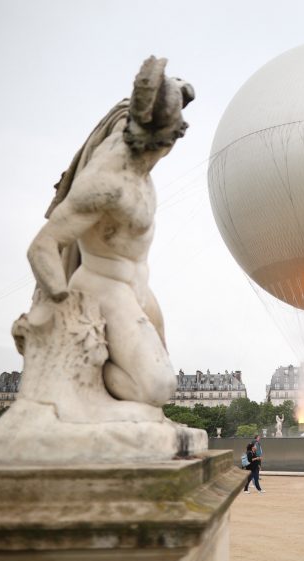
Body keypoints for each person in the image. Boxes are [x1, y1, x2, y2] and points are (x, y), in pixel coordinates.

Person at [26, 57, 194, 407]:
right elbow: (42, 246)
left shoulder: (143, 171)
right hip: (103, 286)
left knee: (165, 387)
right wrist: (64, 304)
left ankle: (117, 405)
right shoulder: (107, 181)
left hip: (139, 288)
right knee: (157, 388)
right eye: (170, 139)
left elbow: (174, 88)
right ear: (153, 137)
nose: (171, 148)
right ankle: (85, 387)